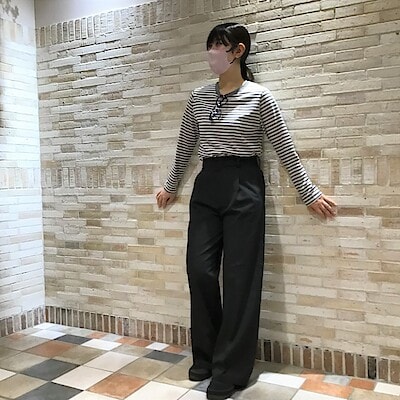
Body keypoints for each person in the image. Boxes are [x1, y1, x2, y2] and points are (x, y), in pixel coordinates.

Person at [156, 22, 337, 400]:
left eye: (217, 46)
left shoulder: (259, 97)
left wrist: (308, 193)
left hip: (244, 184)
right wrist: (171, 186)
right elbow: (186, 145)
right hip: (208, 183)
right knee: (200, 270)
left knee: (240, 279)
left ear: (238, 51)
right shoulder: (198, 97)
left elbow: (285, 148)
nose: (211, 53)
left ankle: (231, 368)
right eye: (209, 46)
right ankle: (206, 355)